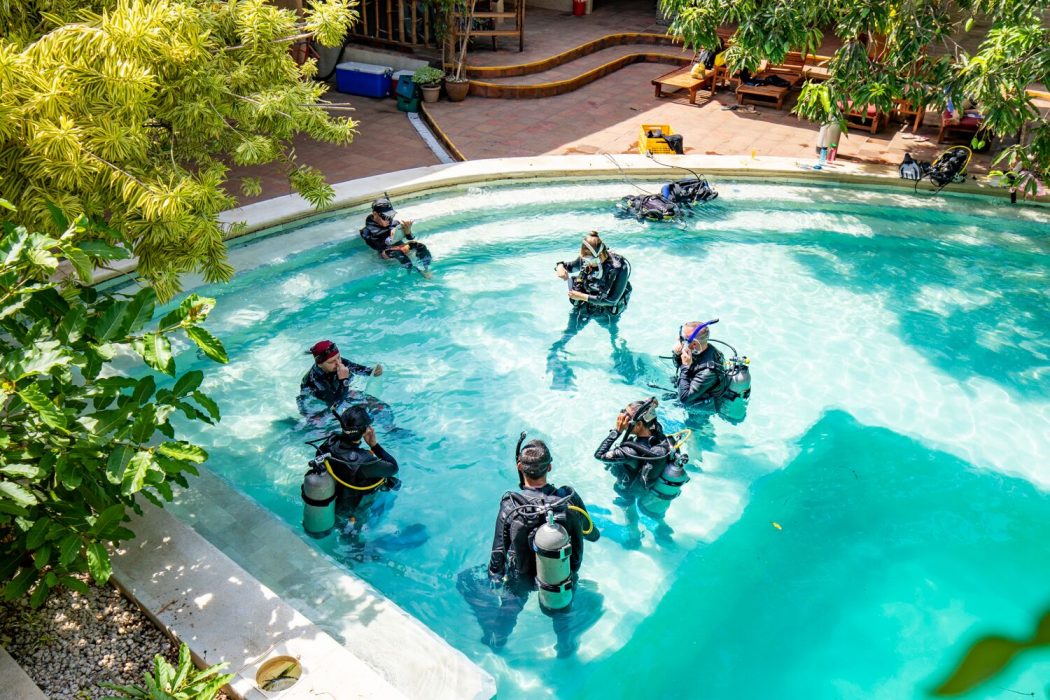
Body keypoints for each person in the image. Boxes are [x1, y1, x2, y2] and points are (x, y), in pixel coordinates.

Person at [458, 436, 602, 657]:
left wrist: (495, 579)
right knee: (562, 608)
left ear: (519, 467)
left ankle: (497, 641)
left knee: (510, 605)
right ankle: (565, 647)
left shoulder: (511, 505)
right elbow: (592, 534)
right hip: (561, 574)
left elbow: (498, 552)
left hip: (522, 577)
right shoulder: (568, 499)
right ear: (550, 467)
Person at [594, 398, 689, 544]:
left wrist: (616, 431)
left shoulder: (630, 450)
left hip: (629, 487)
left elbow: (599, 455)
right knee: (655, 513)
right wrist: (649, 405)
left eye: (626, 416)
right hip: (652, 487)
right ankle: (662, 527)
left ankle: (633, 533)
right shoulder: (659, 434)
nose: (622, 418)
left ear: (638, 424)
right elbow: (649, 415)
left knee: (628, 509)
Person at [547, 233, 636, 389]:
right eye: (585, 259)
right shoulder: (585, 259)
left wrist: (581, 296)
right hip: (583, 305)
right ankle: (555, 352)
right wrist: (560, 268)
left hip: (607, 310)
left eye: (592, 259)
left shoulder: (619, 267)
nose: (588, 262)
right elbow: (565, 265)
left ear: (601, 253)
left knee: (612, 330)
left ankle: (616, 348)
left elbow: (612, 299)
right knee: (570, 331)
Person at [310, 405, 401, 517]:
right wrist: (374, 445)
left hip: (332, 501)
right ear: (366, 430)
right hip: (352, 511)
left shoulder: (330, 443)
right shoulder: (363, 462)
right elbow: (393, 467)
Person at [297, 339, 384, 417]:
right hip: (318, 405)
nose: (338, 363)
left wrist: (372, 371)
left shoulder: (336, 361)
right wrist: (344, 381)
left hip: (337, 393)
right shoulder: (315, 380)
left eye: (338, 357)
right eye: (331, 362)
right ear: (320, 364)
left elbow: (356, 368)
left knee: (378, 406)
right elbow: (334, 405)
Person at [359, 197, 433, 276]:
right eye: (385, 217)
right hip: (386, 253)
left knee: (420, 246)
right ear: (375, 214)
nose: (389, 220)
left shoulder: (394, 223)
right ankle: (413, 270)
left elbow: (410, 238)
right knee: (397, 252)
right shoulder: (366, 231)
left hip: (401, 247)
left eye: (391, 216)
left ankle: (427, 268)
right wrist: (390, 239)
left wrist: (408, 231)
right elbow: (376, 247)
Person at [673, 320, 728, 406]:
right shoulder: (699, 349)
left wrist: (685, 366)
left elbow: (684, 398)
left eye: (682, 338)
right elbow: (677, 365)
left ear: (694, 344)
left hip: (702, 406)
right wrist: (677, 354)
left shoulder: (708, 372)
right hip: (696, 389)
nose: (678, 339)